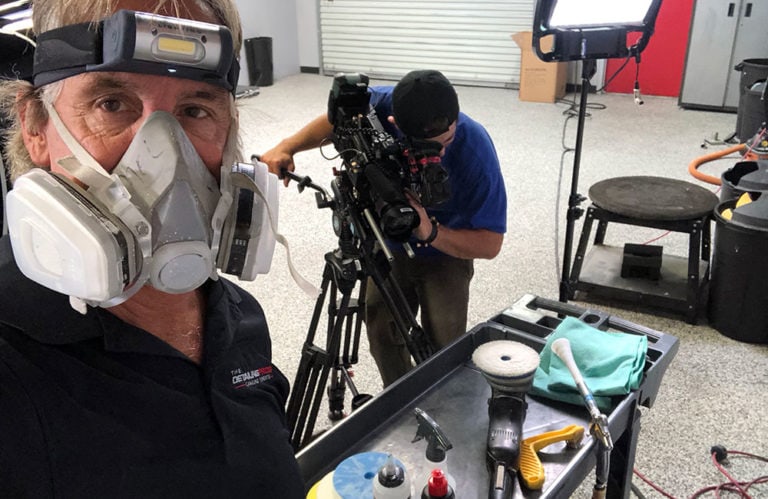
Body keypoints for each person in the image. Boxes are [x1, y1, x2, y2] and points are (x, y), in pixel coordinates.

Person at [0, 1, 304, 496]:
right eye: (112, 103)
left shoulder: (239, 316)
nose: (163, 150)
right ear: (36, 127)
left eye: (195, 109)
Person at [261, 70, 507, 387]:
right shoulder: (381, 105)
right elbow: (337, 121)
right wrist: (288, 146)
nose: (441, 153)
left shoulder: (476, 149)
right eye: (426, 148)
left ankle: (441, 399)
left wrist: (429, 231)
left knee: (445, 341)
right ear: (395, 124)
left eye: (446, 141)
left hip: (447, 247)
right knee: (379, 327)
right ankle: (399, 397)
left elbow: (490, 245)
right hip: (386, 240)